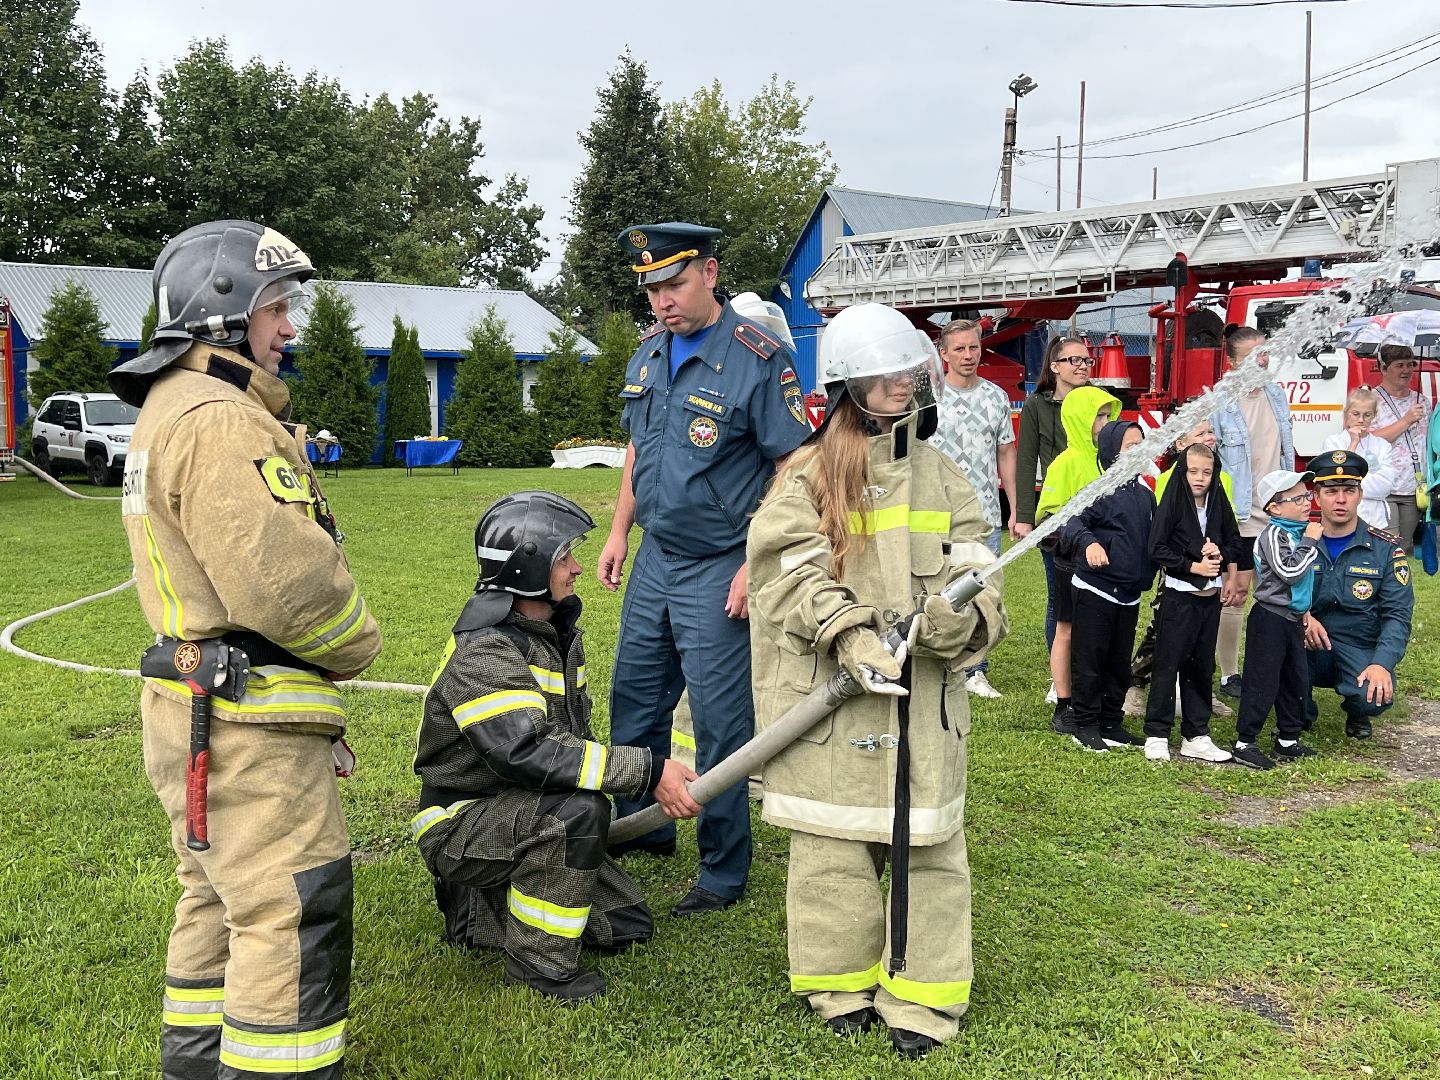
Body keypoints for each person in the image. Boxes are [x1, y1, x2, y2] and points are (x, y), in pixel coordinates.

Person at [108, 220, 383, 1080]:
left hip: (192, 706)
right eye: (276, 306)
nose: (289, 328)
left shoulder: (168, 407)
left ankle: (194, 1063)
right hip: (247, 719)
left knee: (214, 895)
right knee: (287, 909)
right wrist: (357, 643)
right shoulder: (224, 421)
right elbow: (285, 585)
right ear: (223, 311)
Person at [748, 302, 1006, 1060]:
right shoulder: (806, 476)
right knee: (831, 849)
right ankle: (839, 985)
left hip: (922, 702)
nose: (901, 385)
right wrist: (850, 631)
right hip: (832, 702)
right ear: (844, 388)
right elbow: (784, 568)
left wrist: (962, 619)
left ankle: (923, 1000)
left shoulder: (944, 475)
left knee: (930, 849)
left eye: (907, 371)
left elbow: (976, 565)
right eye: (882, 375)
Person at [598, 222, 813, 916]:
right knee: (634, 698)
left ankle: (723, 868)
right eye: (651, 288)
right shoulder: (648, 355)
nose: (662, 300)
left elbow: (792, 469)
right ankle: (644, 822)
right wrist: (618, 531)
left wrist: (758, 559)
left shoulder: (758, 357)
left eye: (674, 283)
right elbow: (639, 450)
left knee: (721, 724)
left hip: (721, 561)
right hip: (655, 558)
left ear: (710, 273)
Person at [411, 492, 701, 1001]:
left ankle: (480, 909)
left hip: (517, 804)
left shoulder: (551, 632)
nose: (578, 568)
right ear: (528, 566)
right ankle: (538, 967)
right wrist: (650, 771)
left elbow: (572, 742)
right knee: (577, 812)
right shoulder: (487, 650)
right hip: (460, 819)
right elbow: (531, 751)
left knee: (626, 924)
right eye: (564, 556)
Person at [930, 318, 1018, 700]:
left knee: (980, 591)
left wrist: (1016, 507)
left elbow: (1005, 453)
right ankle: (934, 661)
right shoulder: (929, 397)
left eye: (974, 348)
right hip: (935, 513)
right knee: (934, 586)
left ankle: (975, 670)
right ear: (944, 353)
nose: (968, 355)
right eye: (960, 349)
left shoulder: (996, 397)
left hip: (984, 514)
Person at [1055, 420, 1155, 752]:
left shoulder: (1145, 495)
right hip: (1095, 590)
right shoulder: (1099, 489)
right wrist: (1090, 544)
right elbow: (1072, 521)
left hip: (1128, 596)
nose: (1138, 451)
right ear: (1112, 452)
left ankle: (1111, 721)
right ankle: (1085, 724)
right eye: (1130, 446)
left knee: (1117, 663)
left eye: (1141, 444)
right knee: (1090, 660)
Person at [1303, 450, 1415, 739]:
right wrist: (1302, 616)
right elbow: (1272, 595)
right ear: (1317, 496)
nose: (1340, 499)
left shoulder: (1386, 550)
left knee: (1373, 696)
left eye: (1349, 491)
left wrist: (1381, 664)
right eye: (1331, 491)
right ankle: (1298, 711)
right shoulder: (1299, 543)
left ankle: (1358, 710)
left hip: (1358, 645)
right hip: (1306, 642)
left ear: (1360, 495)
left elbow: (1397, 617)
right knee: (1275, 649)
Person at [1143, 441, 1243, 762]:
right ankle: (1157, 733)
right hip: (1179, 599)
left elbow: (1235, 543)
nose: (1200, 478)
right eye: (1193, 471)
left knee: (1201, 667)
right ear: (1183, 472)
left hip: (1210, 602)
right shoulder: (1172, 502)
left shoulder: (1217, 504)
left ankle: (1196, 734)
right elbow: (1157, 548)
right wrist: (1193, 566)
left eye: (1207, 472)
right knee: (1167, 664)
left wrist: (1220, 553)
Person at [1210, 325, 1295, 699]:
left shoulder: (1277, 395)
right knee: (1237, 591)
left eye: (1266, 353)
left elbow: (1283, 452)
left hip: (1276, 511)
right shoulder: (1219, 403)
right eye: (1253, 356)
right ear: (1232, 362)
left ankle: (1271, 667)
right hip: (1241, 512)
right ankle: (1230, 675)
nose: (1263, 361)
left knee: (1276, 593)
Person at [1033, 382, 1122, 733]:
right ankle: (1064, 703)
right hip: (1071, 564)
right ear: (1078, 419)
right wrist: (1079, 547)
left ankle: (1094, 700)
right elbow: (1048, 519)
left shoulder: (1112, 462)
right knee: (1067, 630)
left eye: (1107, 415)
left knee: (1102, 633)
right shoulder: (1066, 463)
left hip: (1108, 567)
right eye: (1098, 416)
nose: (1103, 423)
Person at [1014, 336, 1093, 708]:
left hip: (1096, 513)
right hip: (1057, 515)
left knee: (1092, 598)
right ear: (1055, 366)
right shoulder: (1036, 406)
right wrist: (1025, 518)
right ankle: (1059, 677)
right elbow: (1026, 460)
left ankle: (1089, 670)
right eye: (1073, 359)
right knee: (1058, 601)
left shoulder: (1099, 403)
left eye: (1086, 360)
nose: (1081, 366)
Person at [1230, 470, 1322, 770]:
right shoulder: (1274, 535)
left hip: (1292, 618)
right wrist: (1310, 542)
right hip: (1270, 618)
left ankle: (1288, 737)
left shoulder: (1296, 532)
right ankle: (1245, 742)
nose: (1306, 502)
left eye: (1307, 495)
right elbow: (1290, 572)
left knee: (1295, 677)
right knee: (1262, 679)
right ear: (1274, 507)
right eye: (1297, 498)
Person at [1370, 344, 1431, 554]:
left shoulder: (1422, 401)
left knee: (1403, 548)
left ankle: (1396, 586)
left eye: (1410, 365)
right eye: (1399, 365)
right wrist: (1405, 421)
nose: (1406, 370)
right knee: (1387, 546)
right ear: (1383, 368)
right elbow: (1367, 440)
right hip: (1384, 486)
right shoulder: (1370, 400)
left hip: (1414, 487)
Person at [1320, 385, 1403, 530]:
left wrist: (1352, 483)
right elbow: (1336, 480)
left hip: (1377, 522)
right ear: (1347, 413)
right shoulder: (1333, 442)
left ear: (1374, 415)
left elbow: (1385, 486)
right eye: (1356, 414)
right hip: (1342, 521)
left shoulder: (1383, 446)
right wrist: (1353, 443)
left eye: (1367, 415)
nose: (1361, 420)